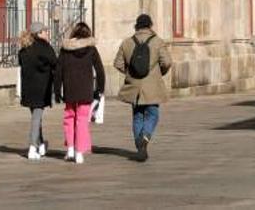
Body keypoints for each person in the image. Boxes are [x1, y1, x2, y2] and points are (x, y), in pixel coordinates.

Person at [114, 14, 172, 162]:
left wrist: (130, 73)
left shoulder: (127, 43)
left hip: (134, 87)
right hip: (152, 85)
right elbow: (167, 62)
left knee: (137, 115)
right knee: (153, 113)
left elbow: (118, 63)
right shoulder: (158, 42)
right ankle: (144, 139)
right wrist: (160, 73)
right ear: (150, 26)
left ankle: (140, 146)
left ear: (137, 26)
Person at [54, 22, 105, 164]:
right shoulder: (91, 49)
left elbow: (58, 72)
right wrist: (100, 89)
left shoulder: (65, 49)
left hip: (70, 89)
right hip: (85, 89)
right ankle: (79, 152)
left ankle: (70, 148)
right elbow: (100, 70)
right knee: (82, 120)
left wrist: (57, 91)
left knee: (69, 118)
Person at [18, 21, 58, 161]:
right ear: (39, 33)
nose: (47, 33)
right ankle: (32, 147)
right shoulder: (45, 47)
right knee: (36, 118)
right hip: (41, 88)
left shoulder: (24, 49)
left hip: (28, 88)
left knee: (36, 117)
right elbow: (55, 63)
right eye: (45, 31)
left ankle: (40, 144)